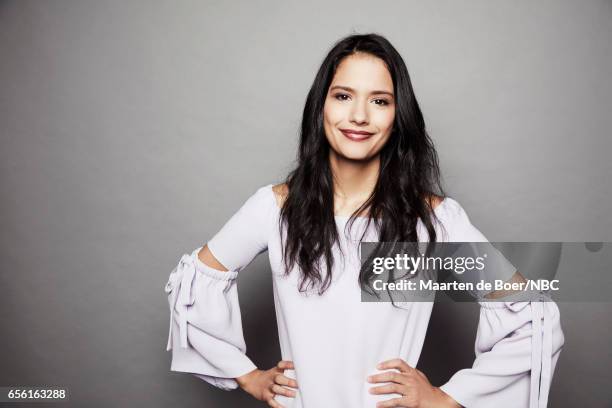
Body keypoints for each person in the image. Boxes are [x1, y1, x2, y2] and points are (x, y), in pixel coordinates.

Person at [164, 33, 564, 407]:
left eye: (379, 101)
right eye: (343, 96)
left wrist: (446, 397)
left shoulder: (436, 221)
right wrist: (247, 376)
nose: (358, 115)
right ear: (321, 105)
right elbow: (194, 285)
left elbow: (530, 316)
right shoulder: (274, 208)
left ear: (397, 116)